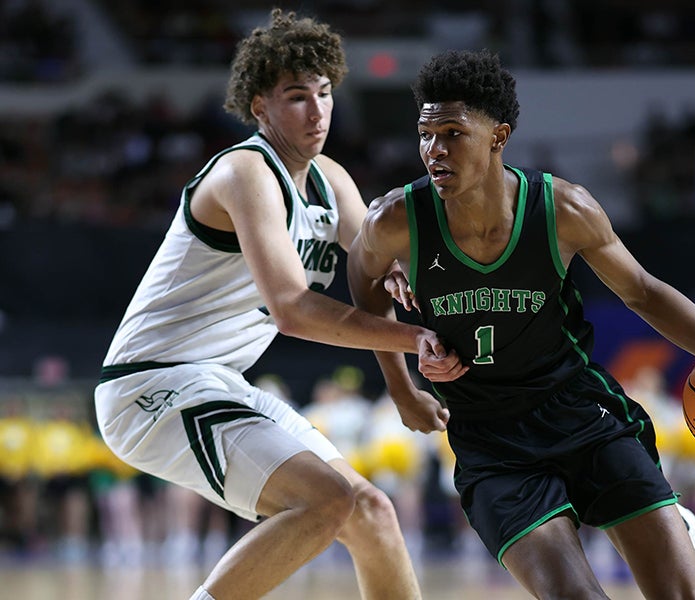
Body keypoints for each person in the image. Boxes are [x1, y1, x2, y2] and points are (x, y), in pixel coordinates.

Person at [347, 49, 695, 599]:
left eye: (452, 133)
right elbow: (363, 282)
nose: (434, 150)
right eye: (425, 133)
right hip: (490, 437)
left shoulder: (563, 208)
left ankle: (676, 529)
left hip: (579, 410)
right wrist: (401, 387)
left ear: (498, 135)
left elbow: (644, 292)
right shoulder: (396, 220)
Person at [94, 10, 464, 600]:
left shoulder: (332, 180)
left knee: (371, 511)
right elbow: (295, 311)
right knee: (326, 499)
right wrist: (415, 342)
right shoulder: (245, 171)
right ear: (260, 105)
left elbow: (373, 281)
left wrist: (402, 383)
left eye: (324, 94)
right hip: (151, 387)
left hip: (217, 380)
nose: (317, 111)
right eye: (297, 97)